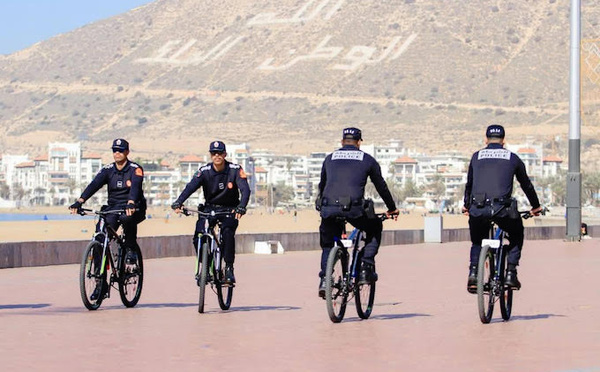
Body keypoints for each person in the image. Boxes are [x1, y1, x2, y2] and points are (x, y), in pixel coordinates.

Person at [316, 127, 399, 298]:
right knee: (374, 227)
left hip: (329, 208)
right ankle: (365, 268)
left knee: (327, 245)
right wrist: (392, 208)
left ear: (341, 141)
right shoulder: (367, 159)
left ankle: (325, 279)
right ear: (360, 142)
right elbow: (381, 186)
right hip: (354, 209)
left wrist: (321, 206)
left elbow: (322, 186)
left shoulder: (329, 158)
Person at [462, 125, 542, 293]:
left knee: (477, 241)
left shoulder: (476, 157)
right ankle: (511, 273)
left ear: (486, 140)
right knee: (516, 233)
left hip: (478, 209)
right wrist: (535, 206)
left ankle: (474, 274)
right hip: (503, 210)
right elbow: (526, 185)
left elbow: (469, 184)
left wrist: (467, 205)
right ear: (504, 141)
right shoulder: (512, 158)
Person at [69, 138, 147, 300]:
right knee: (100, 239)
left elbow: (135, 188)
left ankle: (131, 249)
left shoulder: (135, 169)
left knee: (127, 219)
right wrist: (80, 201)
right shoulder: (108, 169)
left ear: (127, 152)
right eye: (114, 150)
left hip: (134, 207)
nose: (117, 153)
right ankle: (101, 284)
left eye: (120, 150)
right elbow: (94, 185)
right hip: (113, 208)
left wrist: (131, 202)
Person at [171, 141, 250, 285]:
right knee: (199, 235)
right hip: (210, 209)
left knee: (227, 233)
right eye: (214, 153)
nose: (217, 156)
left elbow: (245, 190)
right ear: (210, 155)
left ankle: (229, 269)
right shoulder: (205, 171)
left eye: (220, 153)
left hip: (229, 210)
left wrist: (241, 206)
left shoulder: (235, 169)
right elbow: (190, 187)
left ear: (225, 154)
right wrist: (179, 202)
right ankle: (205, 266)